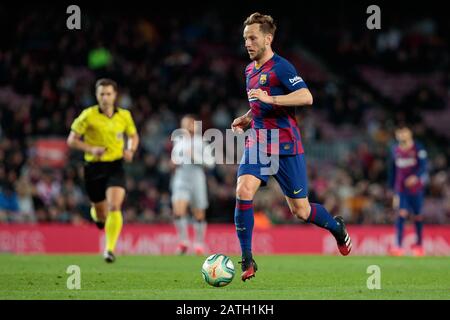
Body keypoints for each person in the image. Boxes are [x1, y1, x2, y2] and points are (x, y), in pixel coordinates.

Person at [231, 13, 352, 282]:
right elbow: (258, 105)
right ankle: (247, 259)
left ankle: (336, 227)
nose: (247, 43)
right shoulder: (249, 71)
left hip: (286, 145)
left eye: (252, 38)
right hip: (261, 141)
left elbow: (306, 97)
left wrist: (270, 97)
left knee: (301, 211)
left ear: (268, 38)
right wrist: (247, 118)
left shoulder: (282, 67)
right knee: (243, 189)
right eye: (245, 39)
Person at [67, 78, 139, 263]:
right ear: (96, 95)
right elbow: (71, 140)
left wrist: (130, 149)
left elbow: (133, 135)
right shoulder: (87, 115)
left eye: (108, 94)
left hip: (116, 164)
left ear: (115, 95)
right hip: (94, 167)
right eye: (102, 94)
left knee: (115, 206)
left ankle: (109, 249)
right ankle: (98, 218)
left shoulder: (124, 115)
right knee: (101, 213)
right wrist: (91, 149)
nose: (105, 97)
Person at [170, 114, 215, 255]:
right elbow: (175, 158)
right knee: (178, 210)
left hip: (197, 178)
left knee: (199, 213)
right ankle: (183, 242)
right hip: (181, 178)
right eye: (184, 123)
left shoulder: (201, 142)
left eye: (190, 123)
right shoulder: (178, 141)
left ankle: (199, 243)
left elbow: (211, 163)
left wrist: (195, 157)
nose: (187, 126)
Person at [388, 126, 427, 256]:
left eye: (403, 132)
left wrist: (415, 177)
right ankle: (398, 246)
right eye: (399, 132)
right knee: (401, 213)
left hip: (416, 188)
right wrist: (392, 188)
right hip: (401, 189)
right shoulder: (395, 150)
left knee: (417, 215)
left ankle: (419, 245)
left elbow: (423, 166)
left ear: (409, 133)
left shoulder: (418, 148)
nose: (401, 135)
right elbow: (392, 170)